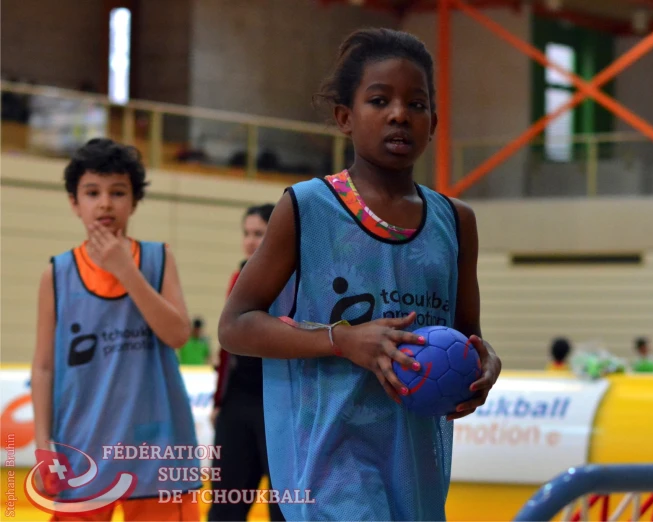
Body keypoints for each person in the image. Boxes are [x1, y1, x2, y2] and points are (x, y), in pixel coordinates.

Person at [217, 28, 502, 521]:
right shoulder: (306, 207)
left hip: (415, 467)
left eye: (417, 103)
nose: (399, 113)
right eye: (379, 100)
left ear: (433, 121)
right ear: (345, 118)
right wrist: (341, 340)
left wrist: (483, 365)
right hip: (330, 466)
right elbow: (235, 325)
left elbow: (467, 334)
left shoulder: (457, 222)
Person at [30, 138, 201, 521]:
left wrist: (126, 270)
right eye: (92, 192)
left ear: (134, 201)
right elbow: (43, 368)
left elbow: (177, 335)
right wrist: (43, 446)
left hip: (157, 450)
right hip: (82, 449)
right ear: (75, 203)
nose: (105, 202)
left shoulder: (158, 259)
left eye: (117, 192)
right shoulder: (56, 274)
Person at [209, 204, 284, 522]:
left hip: (279, 401)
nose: (251, 241)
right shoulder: (239, 277)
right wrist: (218, 401)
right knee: (226, 500)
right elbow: (227, 349)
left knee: (284, 503)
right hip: (238, 402)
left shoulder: (294, 280)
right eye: (247, 234)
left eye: (259, 234)